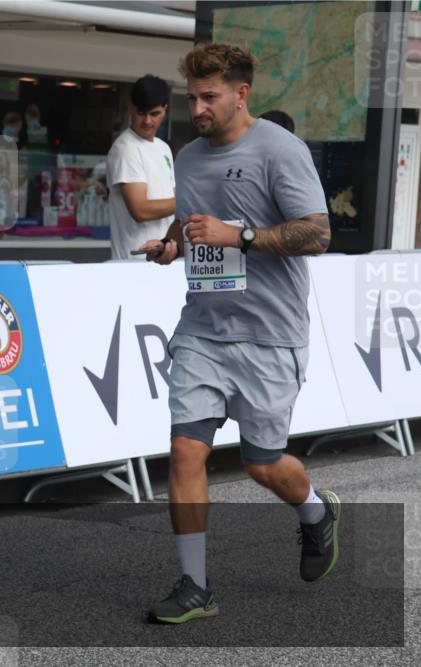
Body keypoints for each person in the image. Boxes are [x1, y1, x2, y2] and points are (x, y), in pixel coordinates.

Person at [138, 44, 339, 624]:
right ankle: (195, 586)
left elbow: (317, 234)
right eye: (192, 96)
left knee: (262, 463)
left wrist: (240, 236)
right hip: (204, 329)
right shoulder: (190, 156)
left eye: (209, 97)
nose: (197, 107)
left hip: (271, 334)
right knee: (184, 451)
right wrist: (172, 245)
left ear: (241, 94)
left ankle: (315, 511)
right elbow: (189, 217)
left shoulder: (281, 150)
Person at [106, 74, 176, 260]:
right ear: (130, 108)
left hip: (163, 258)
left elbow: (173, 197)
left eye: (154, 114)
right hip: (133, 263)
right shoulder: (126, 148)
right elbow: (141, 210)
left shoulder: (163, 148)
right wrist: (186, 201)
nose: (147, 121)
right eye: (141, 113)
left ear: (165, 111)